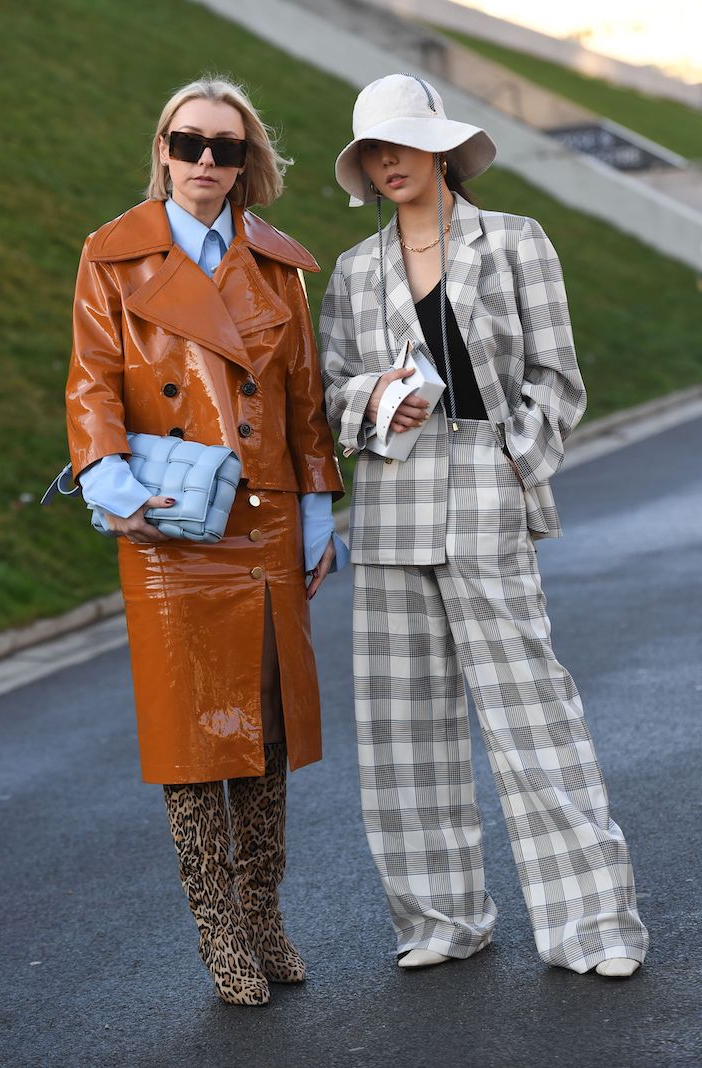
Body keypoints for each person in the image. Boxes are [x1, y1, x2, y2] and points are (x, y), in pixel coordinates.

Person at [320, 73, 648, 978]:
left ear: (441, 147)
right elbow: (332, 387)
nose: (389, 162)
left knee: (533, 717)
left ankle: (593, 929)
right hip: (390, 500)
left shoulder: (515, 242)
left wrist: (509, 469)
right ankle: (441, 921)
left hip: (484, 484)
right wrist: (377, 400)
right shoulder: (355, 268)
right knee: (401, 729)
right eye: (373, 150)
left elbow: (558, 379)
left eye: (401, 143)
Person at [65, 75, 346, 1006]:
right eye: (191, 143)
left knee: (264, 732)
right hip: (169, 522)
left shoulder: (277, 265)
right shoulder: (113, 256)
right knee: (192, 735)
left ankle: (265, 912)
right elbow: (93, 378)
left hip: (263, 518)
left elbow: (304, 404)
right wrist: (108, 477)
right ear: (163, 147)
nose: (207, 164)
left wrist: (316, 512)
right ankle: (217, 928)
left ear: (248, 161)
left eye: (227, 148)